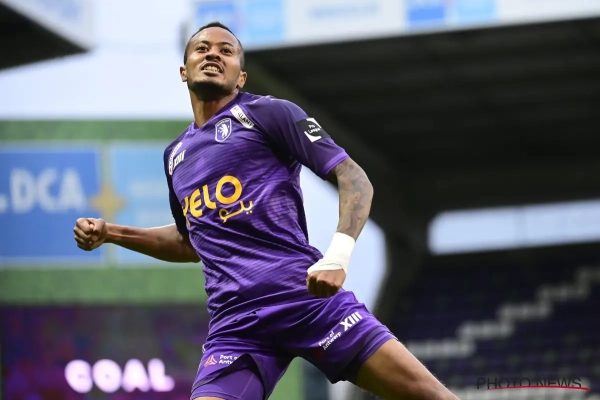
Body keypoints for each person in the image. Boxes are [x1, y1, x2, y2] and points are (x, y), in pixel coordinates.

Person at [73, 21, 459, 400]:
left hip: (304, 298)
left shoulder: (269, 113)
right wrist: (111, 233)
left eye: (226, 51)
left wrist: (337, 256)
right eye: (202, 48)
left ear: (241, 77)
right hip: (236, 326)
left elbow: (353, 176)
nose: (213, 54)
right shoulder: (175, 156)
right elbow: (189, 242)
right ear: (183, 70)